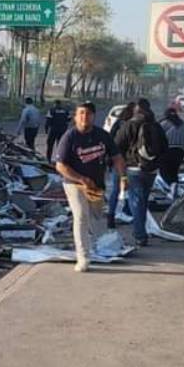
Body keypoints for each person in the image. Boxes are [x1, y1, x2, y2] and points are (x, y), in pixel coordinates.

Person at [53, 102, 126, 272]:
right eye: (81, 113)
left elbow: (117, 157)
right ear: (75, 116)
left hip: (96, 186)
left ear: (93, 116)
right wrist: (81, 179)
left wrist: (123, 176)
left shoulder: (102, 136)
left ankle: (93, 245)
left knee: (95, 218)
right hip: (74, 183)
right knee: (80, 217)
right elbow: (60, 166)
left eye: (88, 114)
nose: (84, 117)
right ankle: (83, 258)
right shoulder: (70, 137)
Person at [115, 98, 167, 246]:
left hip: (133, 169)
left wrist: (120, 166)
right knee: (143, 201)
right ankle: (141, 230)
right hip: (151, 171)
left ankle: (140, 234)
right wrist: (156, 163)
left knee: (136, 202)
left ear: (136, 110)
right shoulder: (156, 126)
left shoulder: (129, 125)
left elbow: (117, 146)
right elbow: (165, 147)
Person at [105, 101, 135, 229]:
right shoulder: (132, 126)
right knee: (131, 189)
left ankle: (111, 215)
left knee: (116, 190)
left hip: (116, 161)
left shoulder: (117, 124)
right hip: (128, 162)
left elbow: (109, 141)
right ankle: (128, 212)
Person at [158, 107, 184, 187]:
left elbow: (157, 137)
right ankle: (174, 187)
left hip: (167, 151)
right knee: (174, 171)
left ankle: (169, 188)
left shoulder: (163, 124)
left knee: (164, 171)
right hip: (180, 151)